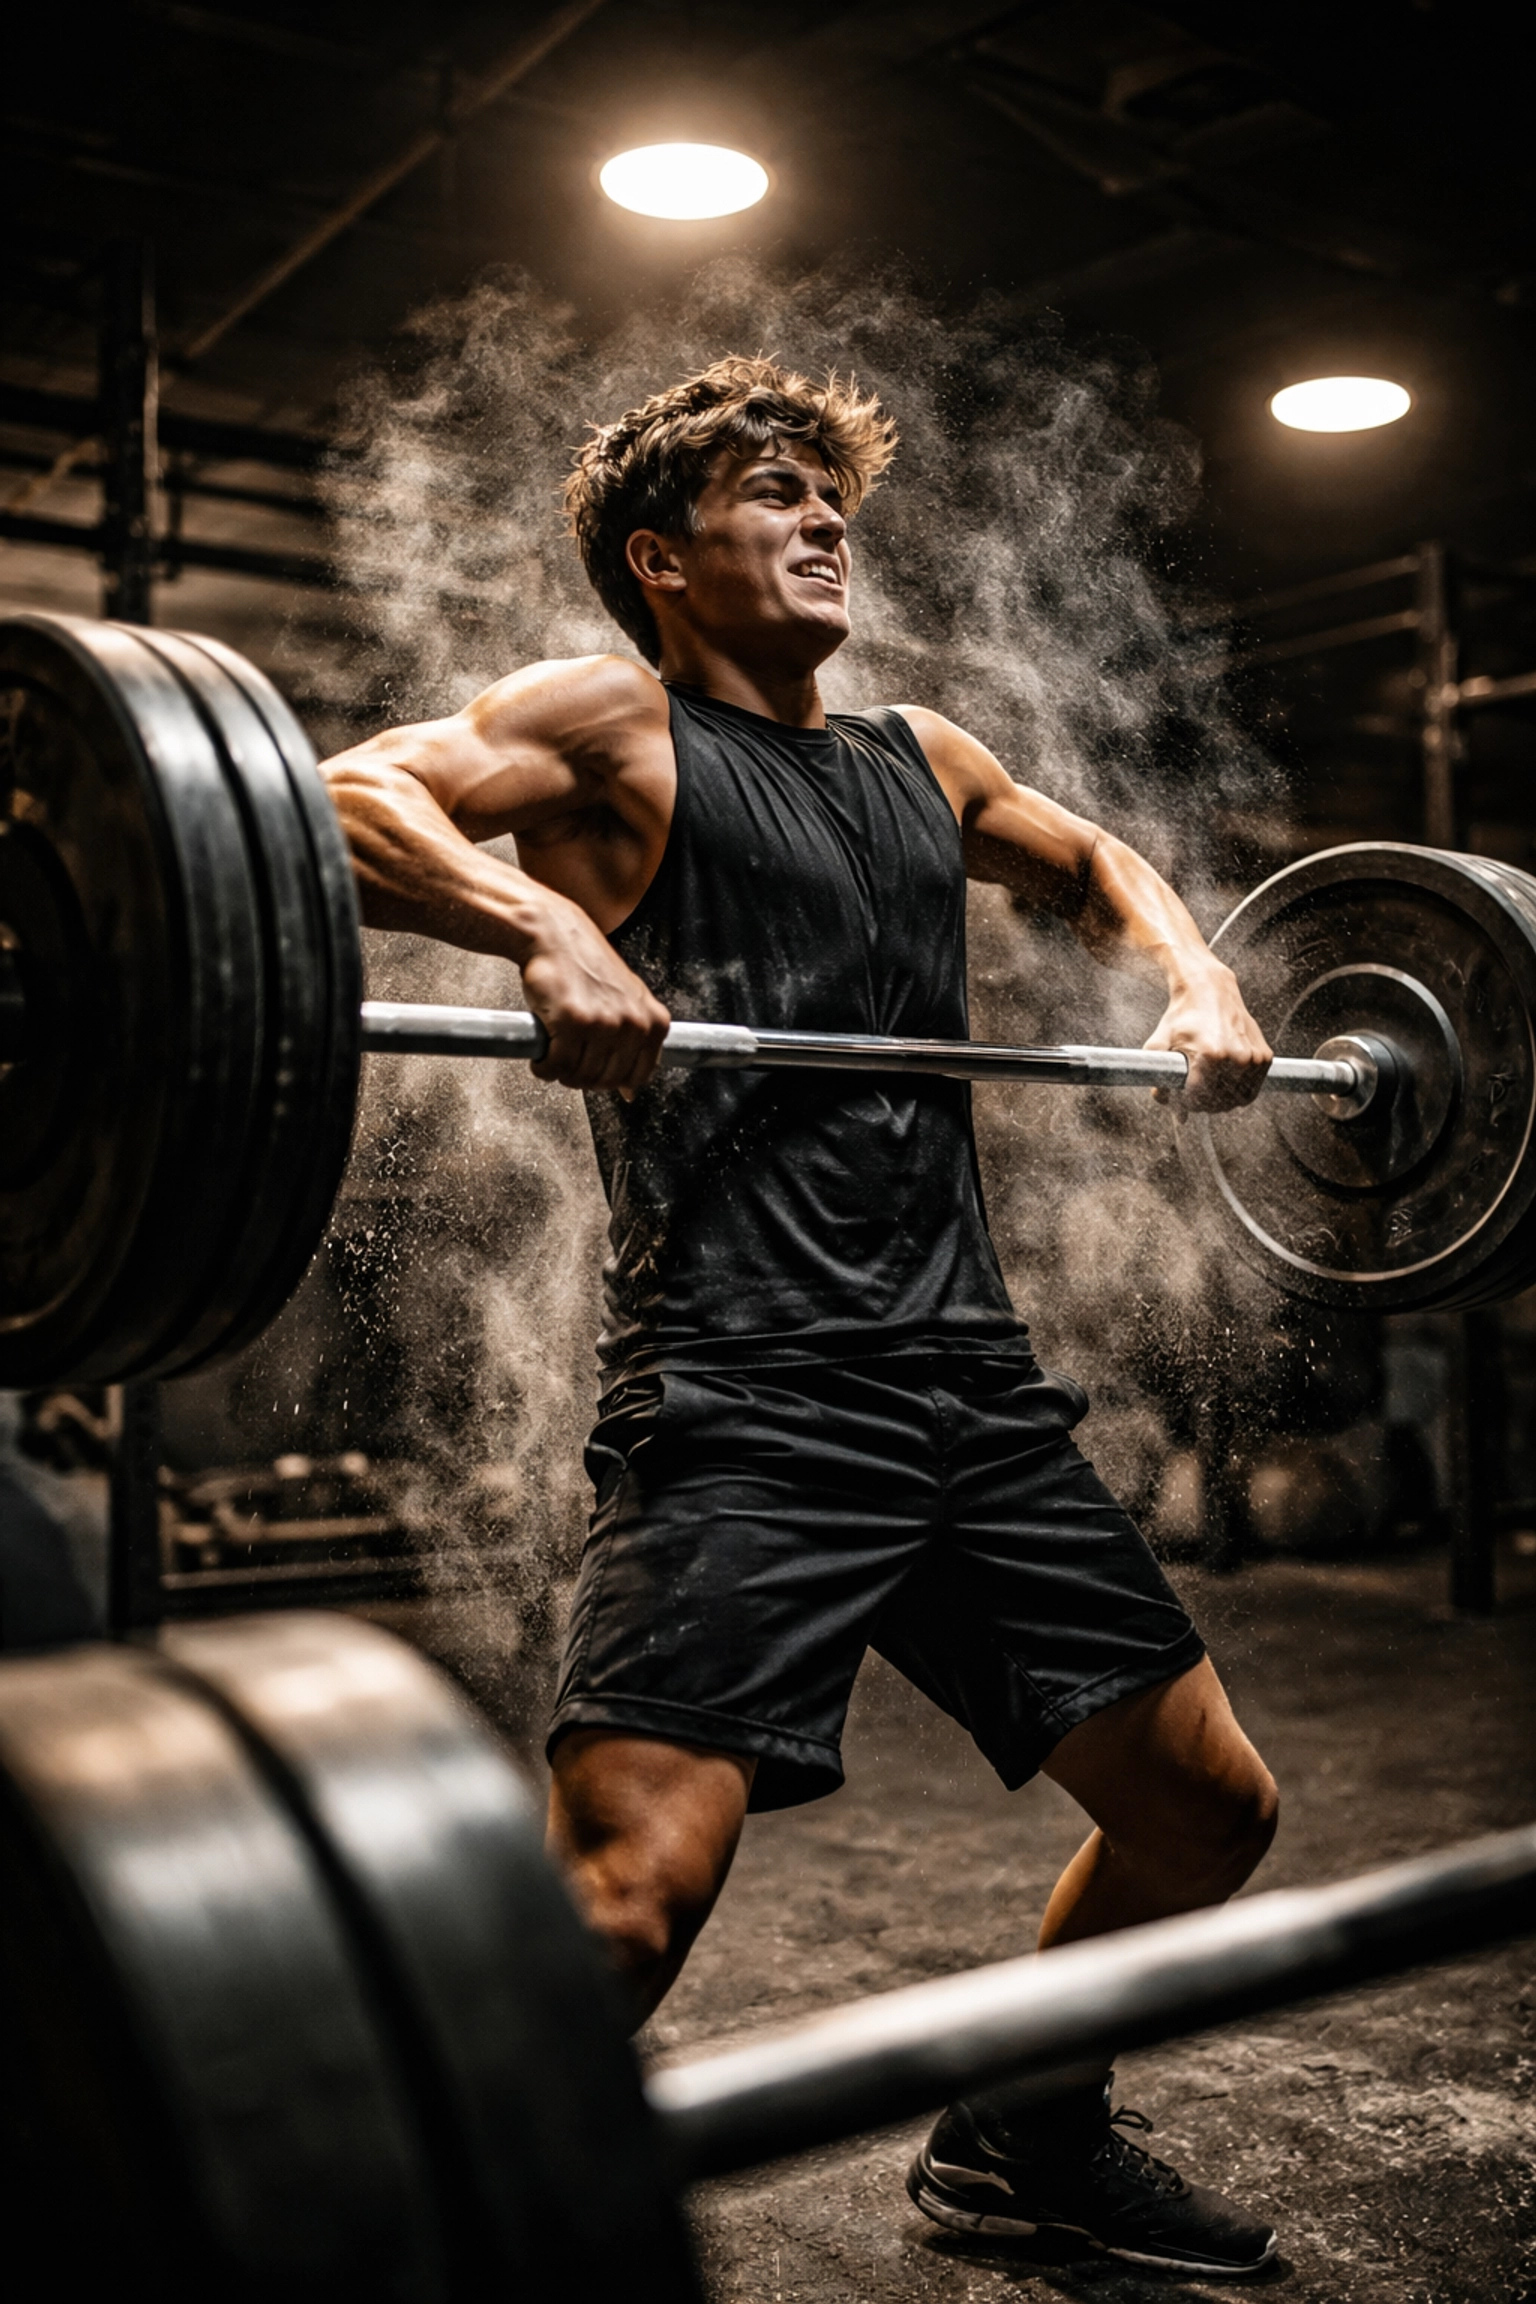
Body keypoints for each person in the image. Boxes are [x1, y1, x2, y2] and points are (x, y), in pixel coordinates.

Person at [323, 357, 1281, 2279]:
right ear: (662, 562)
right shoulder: (612, 727)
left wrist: (1194, 982)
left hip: (968, 1388)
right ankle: (387, 2223)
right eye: (776, 493)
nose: (827, 516)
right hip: (748, 1396)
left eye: (832, 493)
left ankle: (1022, 2137)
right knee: (621, 1914)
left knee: (1204, 1814)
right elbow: (351, 793)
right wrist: (548, 928)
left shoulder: (918, 758)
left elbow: (1094, 862)